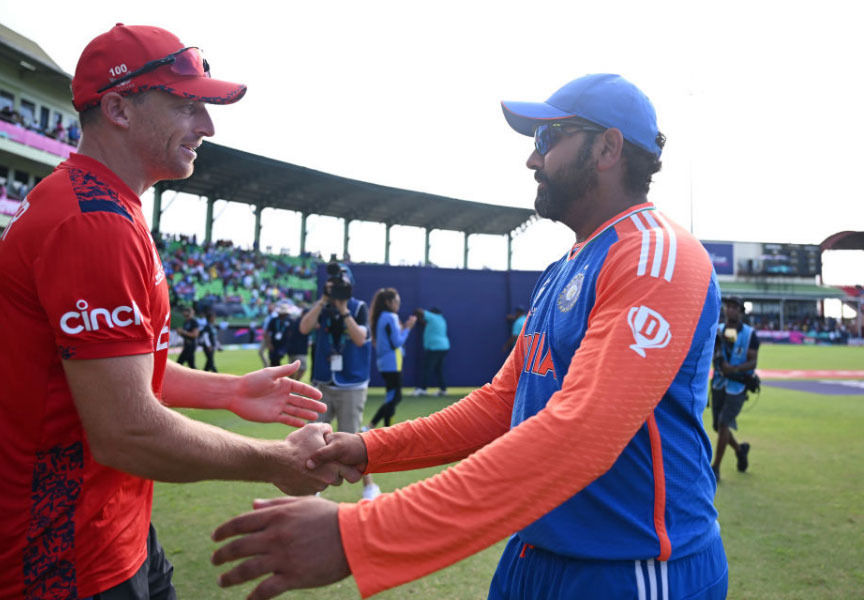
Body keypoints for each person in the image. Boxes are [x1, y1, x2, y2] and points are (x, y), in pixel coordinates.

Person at [211, 74, 728, 600]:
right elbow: (502, 405)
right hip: (535, 552)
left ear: (608, 148)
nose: (533, 159)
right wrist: (368, 448)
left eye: (547, 138)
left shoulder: (656, 255)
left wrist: (361, 535)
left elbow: (582, 432)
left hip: (634, 566)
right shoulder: (568, 265)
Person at [0, 24, 359, 599]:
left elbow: (114, 372)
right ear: (118, 108)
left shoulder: (98, 205)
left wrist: (228, 391)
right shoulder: (93, 222)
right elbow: (128, 431)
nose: (207, 126)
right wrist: (276, 459)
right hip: (56, 557)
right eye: (186, 105)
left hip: (111, 526)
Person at [299, 263, 381, 500]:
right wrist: (322, 301)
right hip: (324, 382)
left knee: (351, 441)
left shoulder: (358, 307)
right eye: (332, 283)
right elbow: (304, 328)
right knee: (312, 436)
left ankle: (369, 487)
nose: (336, 288)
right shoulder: (322, 307)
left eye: (340, 284)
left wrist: (344, 310)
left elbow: (360, 339)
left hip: (350, 384)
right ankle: (312, 489)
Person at [710, 295, 759, 482]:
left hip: (738, 385)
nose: (730, 310)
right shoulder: (720, 331)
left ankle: (715, 467)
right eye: (728, 306)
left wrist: (734, 368)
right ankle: (740, 450)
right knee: (718, 426)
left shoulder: (749, 334)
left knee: (724, 423)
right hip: (719, 383)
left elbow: (753, 361)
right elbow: (716, 352)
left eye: (734, 307)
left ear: (740, 311)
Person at [368, 288, 417, 428]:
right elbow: (397, 342)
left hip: (386, 363)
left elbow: (390, 340)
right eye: (396, 302)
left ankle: (375, 426)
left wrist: (404, 328)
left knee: (392, 396)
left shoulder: (381, 316)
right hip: (392, 363)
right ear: (388, 302)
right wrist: (408, 328)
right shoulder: (391, 317)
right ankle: (378, 427)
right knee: (395, 397)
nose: (398, 305)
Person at [412, 306, 449, 396]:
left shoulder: (433, 317)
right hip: (444, 347)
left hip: (435, 348)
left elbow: (419, 311)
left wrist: (414, 317)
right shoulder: (441, 320)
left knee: (427, 368)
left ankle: (422, 389)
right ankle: (443, 390)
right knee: (438, 369)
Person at [264, 302, 294, 368]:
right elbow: (267, 332)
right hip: (274, 344)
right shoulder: (274, 320)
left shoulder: (290, 321)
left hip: (285, 344)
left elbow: (292, 333)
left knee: (279, 357)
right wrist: (269, 343)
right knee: (273, 361)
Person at [284, 305, 310, 381]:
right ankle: (294, 382)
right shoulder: (298, 322)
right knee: (300, 368)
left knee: (295, 368)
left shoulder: (295, 321)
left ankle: (292, 383)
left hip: (296, 349)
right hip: (298, 349)